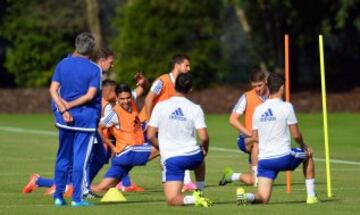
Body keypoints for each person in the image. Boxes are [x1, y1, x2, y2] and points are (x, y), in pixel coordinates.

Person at [236, 72, 318, 205]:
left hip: (265, 161)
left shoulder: (258, 110)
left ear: (267, 87)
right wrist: (303, 145)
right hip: (283, 158)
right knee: (308, 154)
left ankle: (245, 197)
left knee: (263, 198)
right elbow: (296, 135)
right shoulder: (287, 106)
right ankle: (311, 196)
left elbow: (255, 137)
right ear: (282, 87)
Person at [49, 32, 101, 207]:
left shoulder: (62, 64)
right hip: (85, 121)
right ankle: (77, 198)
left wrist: (63, 109)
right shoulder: (95, 69)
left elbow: (53, 90)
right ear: (92, 49)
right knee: (80, 160)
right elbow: (90, 95)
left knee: (63, 157)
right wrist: (70, 106)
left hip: (65, 119)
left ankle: (58, 196)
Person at [147, 73, 213, 207]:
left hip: (172, 160)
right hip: (193, 156)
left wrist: (162, 149)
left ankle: (195, 199)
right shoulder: (195, 108)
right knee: (200, 157)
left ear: (174, 86)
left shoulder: (160, 106)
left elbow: (150, 135)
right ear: (190, 89)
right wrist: (205, 148)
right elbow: (204, 137)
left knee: (172, 200)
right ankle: (199, 192)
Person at [91, 83, 158, 193]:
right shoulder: (114, 114)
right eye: (122, 99)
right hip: (128, 152)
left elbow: (142, 88)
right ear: (117, 98)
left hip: (122, 157)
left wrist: (143, 82)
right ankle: (173, 178)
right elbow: (99, 128)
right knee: (163, 146)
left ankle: (75, 189)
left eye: (128, 98)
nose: (126, 101)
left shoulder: (132, 102)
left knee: (101, 188)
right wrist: (111, 146)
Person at [144, 54, 196, 192]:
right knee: (152, 152)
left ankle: (183, 181)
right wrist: (150, 122)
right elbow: (149, 99)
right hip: (153, 122)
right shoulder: (162, 80)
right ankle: (122, 171)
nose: (188, 68)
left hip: (166, 123)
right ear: (177, 65)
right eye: (186, 65)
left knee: (174, 148)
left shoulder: (180, 83)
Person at [219, 69, 269, 186]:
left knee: (252, 180)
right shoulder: (247, 97)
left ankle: (231, 175)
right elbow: (232, 119)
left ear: (266, 81)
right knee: (257, 140)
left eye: (259, 85)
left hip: (265, 141)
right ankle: (257, 178)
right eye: (254, 86)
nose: (257, 89)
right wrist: (248, 133)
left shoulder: (274, 95)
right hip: (246, 140)